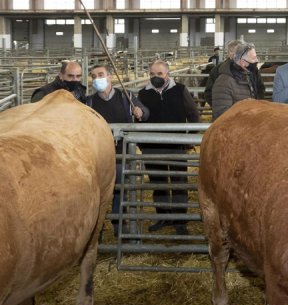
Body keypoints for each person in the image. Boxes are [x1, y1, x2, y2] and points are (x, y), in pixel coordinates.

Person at [86, 65, 150, 238]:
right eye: (93, 76)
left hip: (121, 152)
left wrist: (140, 112)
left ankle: (118, 221)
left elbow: (145, 113)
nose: (97, 78)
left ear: (110, 77)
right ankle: (96, 226)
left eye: (100, 74)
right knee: (96, 189)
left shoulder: (126, 96)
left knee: (119, 185)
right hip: (97, 153)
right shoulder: (89, 102)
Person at [138, 60, 200, 235]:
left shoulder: (180, 90)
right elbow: (139, 119)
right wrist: (142, 143)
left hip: (176, 144)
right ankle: (163, 216)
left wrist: (191, 137)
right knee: (159, 183)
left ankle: (180, 220)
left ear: (167, 74)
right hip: (152, 146)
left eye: (159, 74)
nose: (155, 77)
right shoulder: (143, 93)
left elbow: (193, 113)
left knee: (179, 181)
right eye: (152, 74)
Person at [204, 40, 265, 108]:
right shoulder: (217, 71)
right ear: (229, 53)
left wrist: (257, 105)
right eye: (235, 51)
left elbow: (260, 88)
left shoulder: (253, 70)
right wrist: (218, 105)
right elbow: (209, 93)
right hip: (231, 114)